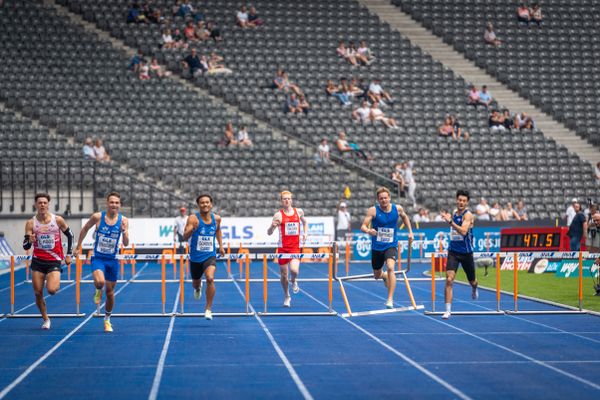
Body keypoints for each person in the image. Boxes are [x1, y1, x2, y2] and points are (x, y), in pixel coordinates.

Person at [74, 192, 129, 332]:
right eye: (112, 202)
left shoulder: (124, 220)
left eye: (117, 203)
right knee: (100, 282)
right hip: (98, 258)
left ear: (120, 205)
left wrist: (124, 231)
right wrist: (78, 246)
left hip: (113, 260)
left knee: (110, 293)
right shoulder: (98, 217)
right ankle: (98, 290)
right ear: (107, 203)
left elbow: (126, 244)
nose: (114, 205)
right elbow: (85, 228)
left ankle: (107, 320)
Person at [23, 193, 73, 330]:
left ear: (48, 204)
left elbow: (70, 235)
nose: (42, 205)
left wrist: (69, 254)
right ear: (35, 205)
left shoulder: (57, 220)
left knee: (51, 290)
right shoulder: (31, 223)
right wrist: (29, 241)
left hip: (54, 261)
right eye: (40, 203)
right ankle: (46, 319)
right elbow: (25, 246)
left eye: (45, 203)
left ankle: (54, 279)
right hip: (38, 261)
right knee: (38, 293)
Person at [360, 187, 414, 308]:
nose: (384, 200)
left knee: (391, 267)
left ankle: (390, 299)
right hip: (377, 247)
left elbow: (405, 217)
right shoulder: (373, 211)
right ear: (378, 200)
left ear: (389, 198)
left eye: (385, 198)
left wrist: (410, 232)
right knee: (377, 275)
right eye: (381, 198)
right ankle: (383, 276)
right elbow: (363, 226)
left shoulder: (397, 208)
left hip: (391, 244)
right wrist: (369, 231)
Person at [182, 194, 224, 320]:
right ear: (198, 205)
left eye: (207, 202)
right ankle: (197, 288)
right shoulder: (193, 219)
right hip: (195, 257)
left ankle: (208, 309)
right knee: (196, 283)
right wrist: (192, 230)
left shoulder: (217, 219)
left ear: (211, 204)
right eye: (202, 203)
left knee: (210, 278)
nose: (205, 204)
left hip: (210, 255)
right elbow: (184, 236)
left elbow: (217, 231)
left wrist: (221, 245)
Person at [440, 190, 479, 319]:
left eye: (464, 201)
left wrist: (450, 222)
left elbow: (463, 231)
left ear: (467, 202)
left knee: (472, 281)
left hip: (466, 253)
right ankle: (447, 310)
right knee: (449, 279)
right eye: (459, 200)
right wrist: (450, 220)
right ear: (456, 200)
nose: (461, 202)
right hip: (453, 252)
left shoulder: (468, 216)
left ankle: (474, 288)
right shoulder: (454, 213)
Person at [267, 191, 308, 308]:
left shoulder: (299, 212)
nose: (287, 200)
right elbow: (269, 233)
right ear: (281, 201)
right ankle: (287, 296)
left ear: (292, 200)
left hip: (295, 247)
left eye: (289, 198)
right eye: (284, 199)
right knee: (284, 275)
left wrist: (305, 233)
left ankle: (294, 280)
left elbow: (305, 222)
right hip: (283, 249)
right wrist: (272, 227)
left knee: (294, 271)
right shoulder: (278, 215)